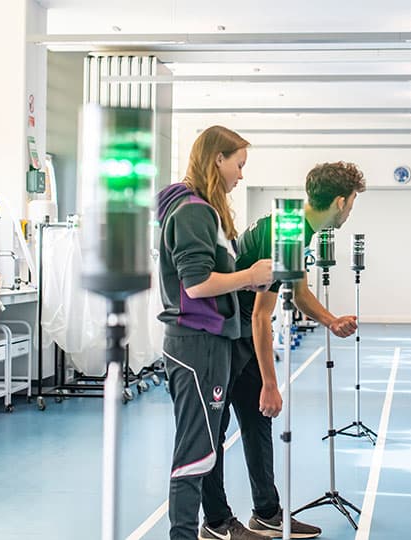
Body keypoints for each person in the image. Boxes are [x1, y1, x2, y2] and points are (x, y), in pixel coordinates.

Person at [199, 161, 366, 539]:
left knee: (258, 425)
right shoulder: (286, 231)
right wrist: (271, 383)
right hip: (224, 337)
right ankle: (217, 523)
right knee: (217, 432)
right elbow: (261, 316)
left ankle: (267, 512)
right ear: (340, 201)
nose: (351, 210)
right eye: (353, 201)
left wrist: (330, 320)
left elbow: (299, 289)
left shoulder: (291, 226)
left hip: (241, 335)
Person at [157, 126, 273, 540]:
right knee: (195, 451)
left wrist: (246, 281)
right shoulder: (193, 211)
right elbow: (195, 284)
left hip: (208, 341)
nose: (240, 175)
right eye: (238, 165)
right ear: (217, 160)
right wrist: (249, 275)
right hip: (196, 345)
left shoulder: (205, 210)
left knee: (203, 449)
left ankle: (203, 528)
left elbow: (212, 277)